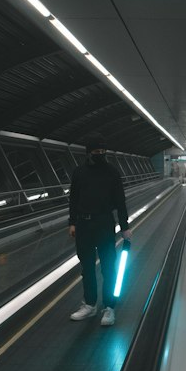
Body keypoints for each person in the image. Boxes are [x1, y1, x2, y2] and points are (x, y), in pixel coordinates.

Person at [68, 134, 131, 327]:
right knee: (86, 268)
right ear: (89, 154)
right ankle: (90, 304)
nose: (101, 155)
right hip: (84, 225)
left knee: (108, 267)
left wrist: (124, 227)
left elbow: (120, 201)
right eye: (97, 152)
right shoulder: (79, 173)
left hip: (104, 223)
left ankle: (109, 308)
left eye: (103, 152)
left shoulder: (112, 172)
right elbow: (73, 199)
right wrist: (72, 222)